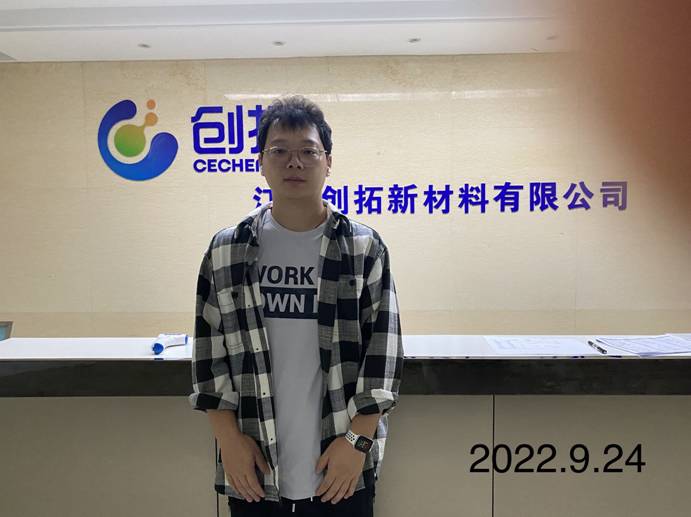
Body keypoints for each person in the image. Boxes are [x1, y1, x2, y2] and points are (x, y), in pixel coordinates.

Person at [189, 95, 404, 516]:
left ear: (328, 162)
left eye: (308, 151)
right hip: (254, 467)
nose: (294, 162)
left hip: (341, 466)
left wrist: (356, 442)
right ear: (261, 162)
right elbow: (208, 356)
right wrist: (228, 442)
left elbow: (385, 353)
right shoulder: (227, 250)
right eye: (279, 151)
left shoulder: (362, 247)